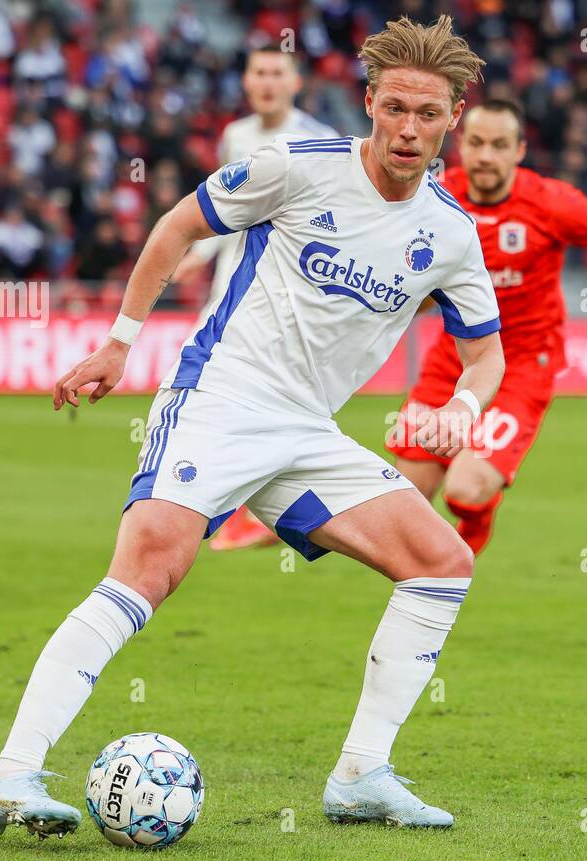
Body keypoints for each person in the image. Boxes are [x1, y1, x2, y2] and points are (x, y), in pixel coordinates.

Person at [0, 15, 501, 836]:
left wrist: (460, 413)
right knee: (149, 569)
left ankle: (361, 774)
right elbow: (179, 225)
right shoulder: (295, 167)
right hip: (221, 396)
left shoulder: (451, 236)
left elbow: (485, 358)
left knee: (441, 562)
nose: (407, 128)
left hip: (306, 431)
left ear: (451, 121)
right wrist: (119, 342)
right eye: (393, 106)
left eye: (426, 114)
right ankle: (10, 779)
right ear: (368, 102)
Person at [387, 100, 587, 553]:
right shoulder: (434, 197)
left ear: (520, 150)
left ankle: (476, 516)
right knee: (402, 501)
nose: (486, 156)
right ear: (459, 146)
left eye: (499, 145)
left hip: (524, 363)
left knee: (465, 489)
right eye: (475, 143)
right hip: (452, 360)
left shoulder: (549, 202)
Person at [174, 44, 337, 551]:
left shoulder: (322, 141)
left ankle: (259, 504)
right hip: (230, 284)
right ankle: (215, 497)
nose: (267, 82)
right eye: (258, 72)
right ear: (246, 81)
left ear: (295, 82)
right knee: (210, 385)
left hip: (285, 292)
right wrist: (197, 254)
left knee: (269, 398)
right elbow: (228, 210)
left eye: (276, 73)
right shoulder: (236, 135)